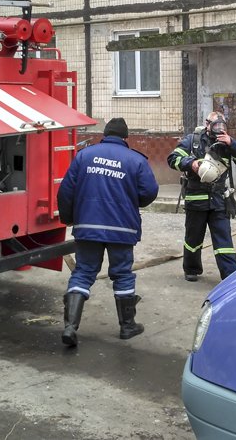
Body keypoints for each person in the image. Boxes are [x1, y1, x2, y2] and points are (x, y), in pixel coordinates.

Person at [57, 117, 159, 347]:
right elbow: (150, 191)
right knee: (122, 274)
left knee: (83, 272)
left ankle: (70, 327)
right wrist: (132, 201)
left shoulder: (84, 156)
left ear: (104, 135)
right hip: (122, 228)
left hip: (88, 227)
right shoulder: (135, 160)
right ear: (125, 137)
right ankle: (127, 326)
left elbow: (66, 191)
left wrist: (69, 219)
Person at [167, 111, 236, 281]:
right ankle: (191, 269)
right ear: (207, 124)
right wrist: (191, 163)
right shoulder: (193, 140)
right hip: (196, 198)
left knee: (224, 241)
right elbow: (173, 158)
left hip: (219, 200)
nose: (219, 127)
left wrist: (232, 143)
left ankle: (230, 275)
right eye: (215, 124)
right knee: (193, 238)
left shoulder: (227, 142)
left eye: (222, 124)